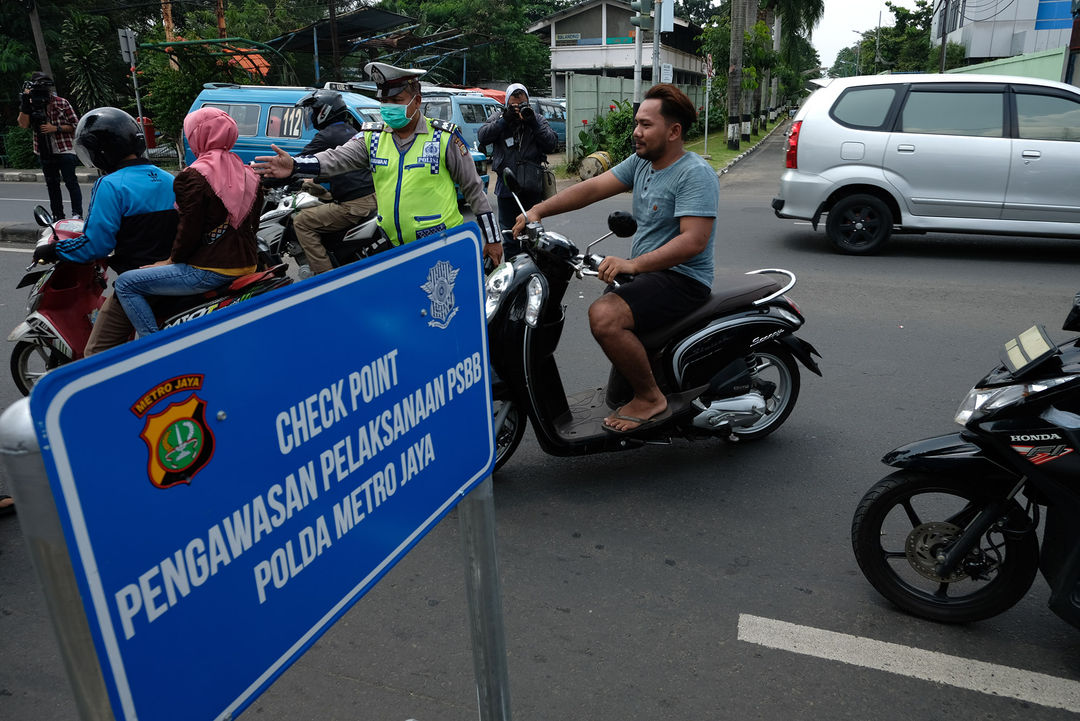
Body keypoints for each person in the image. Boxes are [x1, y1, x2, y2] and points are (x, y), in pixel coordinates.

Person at [511, 84, 717, 434]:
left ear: (674, 131)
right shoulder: (641, 163)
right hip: (652, 274)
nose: (636, 131)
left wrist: (633, 264)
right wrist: (538, 211)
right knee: (612, 310)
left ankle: (652, 398)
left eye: (646, 125)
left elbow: (694, 241)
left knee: (604, 316)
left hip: (683, 278)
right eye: (637, 123)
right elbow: (592, 188)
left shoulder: (693, 173)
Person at [253, 62, 502, 265]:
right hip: (391, 248)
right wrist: (296, 166)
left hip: (439, 247)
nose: (388, 108)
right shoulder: (372, 137)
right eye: (384, 101)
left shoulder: (443, 138)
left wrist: (492, 238)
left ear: (417, 101)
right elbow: (336, 158)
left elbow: (473, 190)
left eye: (397, 101)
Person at [32, 107, 177, 356]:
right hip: (177, 277)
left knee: (96, 353)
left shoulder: (110, 185)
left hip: (140, 283)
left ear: (101, 151)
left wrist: (55, 249)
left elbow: (95, 245)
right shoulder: (169, 178)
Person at [113, 107, 261, 338]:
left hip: (210, 269)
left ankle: (153, 346)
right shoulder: (248, 173)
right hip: (249, 264)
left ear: (198, 136)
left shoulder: (193, 176)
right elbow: (253, 224)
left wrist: (171, 260)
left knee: (125, 284)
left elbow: (188, 229)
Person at [291, 89, 378, 276]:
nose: (312, 116)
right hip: (371, 197)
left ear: (324, 111)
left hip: (355, 204)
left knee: (301, 222)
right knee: (319, 196)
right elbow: (333, 168)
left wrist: (272, 176)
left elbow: (297, 163)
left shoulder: (326, 136)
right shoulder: (350, 130)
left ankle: (324, 277)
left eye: (313, 112)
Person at [478, 82, 557, 258]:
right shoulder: (499, 118)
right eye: (514, 105)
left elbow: (551, 143)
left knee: (532, 234)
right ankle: (514, 273)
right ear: (506, 103)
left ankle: (532, 273)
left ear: (528, 102)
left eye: (522, 104)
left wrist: (533, 122)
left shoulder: (536, 118)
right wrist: (504, 121)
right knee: (509, 234)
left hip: (532, 187)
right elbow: (482, 136)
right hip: (507, 189)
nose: (518, 108)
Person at [17, 72, 84, 220]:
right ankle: (57, 216)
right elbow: (23, 124)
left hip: (65, 148)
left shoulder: (61, 102)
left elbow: (76, 125)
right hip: (44, 150)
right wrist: (25, 103)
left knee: (70, 181)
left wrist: (56, 128)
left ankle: (77, 214)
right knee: (52, 184)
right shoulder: (29, 104)